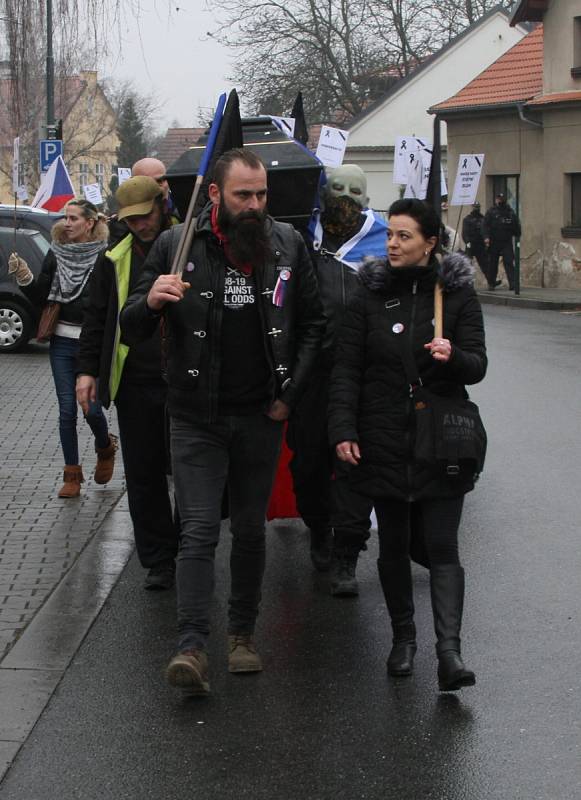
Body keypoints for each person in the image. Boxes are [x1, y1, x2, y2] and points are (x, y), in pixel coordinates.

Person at [120, 148, 325, 694]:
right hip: (194, 414)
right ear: (215, 195)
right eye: (243, 195)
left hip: (262, 412)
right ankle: (191, 645)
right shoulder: (174, 244)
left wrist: (290, 396)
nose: (255, 205)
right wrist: (154, 302)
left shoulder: (287, 243)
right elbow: (129, 325)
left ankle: (241, 635)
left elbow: (314, 324)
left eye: (261, 194)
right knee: (199, 530)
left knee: (251, 530)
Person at [329, 198, 487, 692]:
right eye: (391, 234)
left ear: (430, 243)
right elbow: (346, 370)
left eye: (404, 236)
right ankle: (403, 640)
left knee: (441, 544)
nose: (393, 243)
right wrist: (343, 429)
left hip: (440, 441)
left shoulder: (456, 295)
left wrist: (453, 355)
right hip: (382, 436)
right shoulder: (368, 295)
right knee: (394, 544)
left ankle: (449, 653)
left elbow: (478, 366)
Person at [76, 176, 180, 590]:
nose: (141, 226)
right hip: (135, 382)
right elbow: (96, 318)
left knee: (192, 475)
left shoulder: (188, 245)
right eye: (132, 220)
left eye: (147, 216)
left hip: (186, 382)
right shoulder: (113, 257)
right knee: (143, 473)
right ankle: (158, 558)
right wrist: (86, 370)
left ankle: (189, 547)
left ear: (163, 204)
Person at [287, 164, 385, 596]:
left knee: (353, 465)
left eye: (355, 191)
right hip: (311, 373)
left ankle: (347, 552)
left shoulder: (383, 240)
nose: (346, 197)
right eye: (338, 189)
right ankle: (318, 527)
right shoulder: (302, 239)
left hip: (362, 374)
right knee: (309, 462)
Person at [8, 200, 117, 498]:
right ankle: (72, 475)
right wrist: (24, 276)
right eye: (65, 218)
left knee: (92, 410)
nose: (67, 223)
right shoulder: (56, 252)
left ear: (90, 222)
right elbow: (42, 296)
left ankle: (105, 447)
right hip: (62, 342)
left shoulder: (105, 255)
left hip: (92, 344)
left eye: (73, 218)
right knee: (66, 410)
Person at [482, 193, 521, 290]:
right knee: (493, 263)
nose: (499, 200)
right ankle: (491, 283)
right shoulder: (492, 212)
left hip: (506, 241)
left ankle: (513, 284)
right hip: (494, 241)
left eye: (501, 199)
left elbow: (516, 225)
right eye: (498, 198)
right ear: (496, 199)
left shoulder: (510, 212)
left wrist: (518, 235)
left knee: (508, 262)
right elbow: (485, 225)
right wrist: (486, 237)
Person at [461, 202, 495, 286]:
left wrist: (486, 241)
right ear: (472, 207)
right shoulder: (467, 219)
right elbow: (464, 233)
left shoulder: (483, 219)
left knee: (485, 265)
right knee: (468, 265)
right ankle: (468, 284)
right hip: (471, 245)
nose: (476, 208)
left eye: (478, 207)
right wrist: (467, 242)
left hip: (480, 245)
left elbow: (486, 231)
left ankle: (491, 282)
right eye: (475, 207)